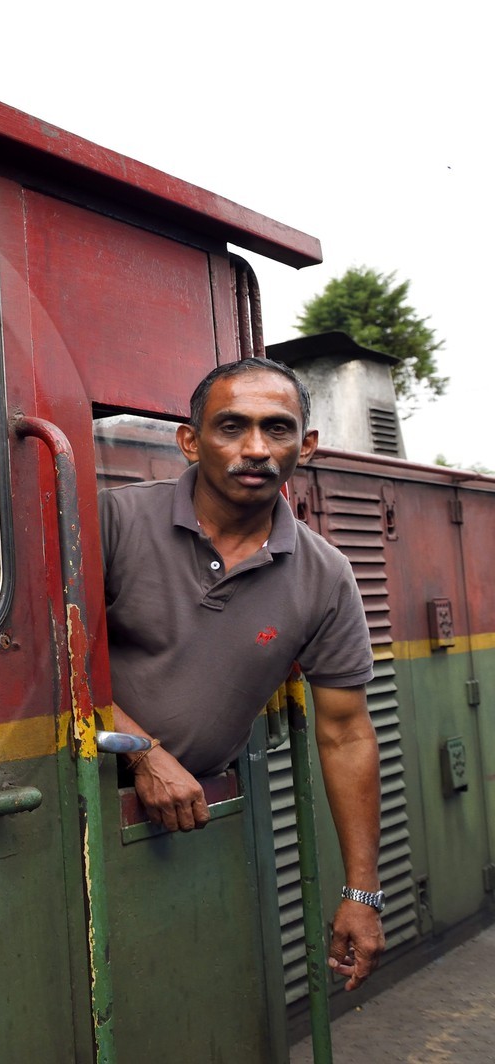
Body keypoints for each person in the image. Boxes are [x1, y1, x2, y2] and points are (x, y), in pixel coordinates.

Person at [100, 357, 386, 990]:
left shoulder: (326, 575)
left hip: (187, 827)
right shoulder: (112, 522)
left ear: (305, 445)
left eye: (277, 429)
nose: (256, 449)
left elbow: (346, 733)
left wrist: (362, 894)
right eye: (231, 427)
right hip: (67, 803)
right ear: (190, 439)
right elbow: (43, 661)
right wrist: (142, 751)